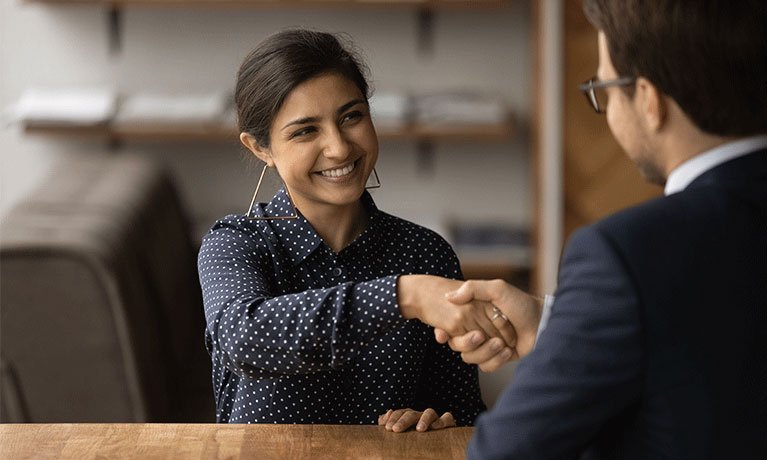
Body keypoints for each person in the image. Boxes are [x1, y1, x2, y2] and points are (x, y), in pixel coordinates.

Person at [419, 0, 767, 458]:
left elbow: (503, 451)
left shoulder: (624, 253)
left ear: (648, 100)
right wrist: (558, 326)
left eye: (603, 87)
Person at [197, 29, 517, 431]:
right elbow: (246, 339)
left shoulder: (426, 254)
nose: (339, 148)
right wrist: (405, 296)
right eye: (305, 131)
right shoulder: (235, 242)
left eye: (351, 117)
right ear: (261, 149)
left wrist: (438, 422)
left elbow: (465, 415)